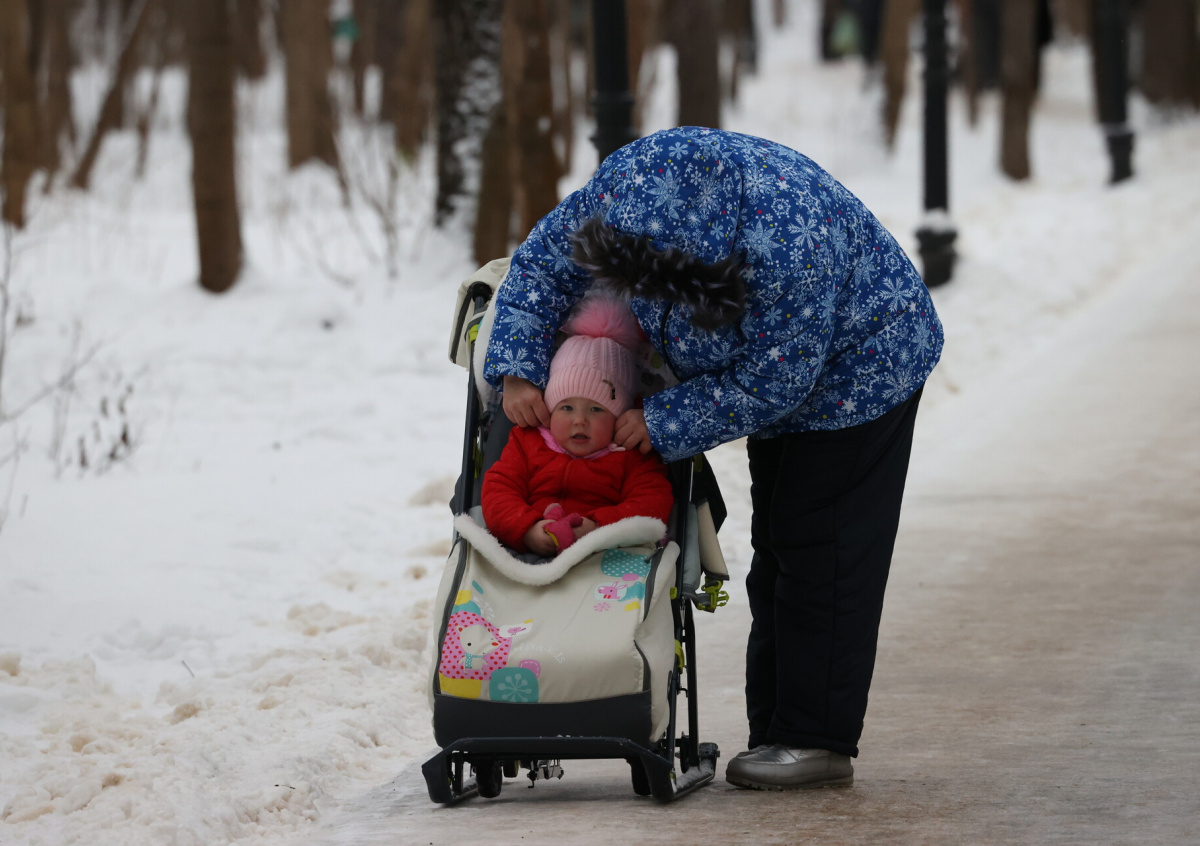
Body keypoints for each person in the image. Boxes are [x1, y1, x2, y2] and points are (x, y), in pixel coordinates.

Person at [482, 127, 943, 789]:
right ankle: (777, 729)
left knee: (823, 544)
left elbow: (775, 382)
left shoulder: (787, 246)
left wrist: (663, 419)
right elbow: (543, 267)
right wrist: (519, 365)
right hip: (771, 364)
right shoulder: (625, 190)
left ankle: (814, 739)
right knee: (778, 540)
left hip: (864, 363)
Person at [481, 295, 674, 558]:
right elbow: (499, 490)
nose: (579, 420)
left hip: (606, 559)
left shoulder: (631, 452)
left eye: (596, 409)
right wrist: (528, 529)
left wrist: (598, 529)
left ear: (620, 416)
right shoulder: (528, 441)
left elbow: (652, 504)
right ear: (549, 408)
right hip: (527, 550)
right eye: (566, 408)